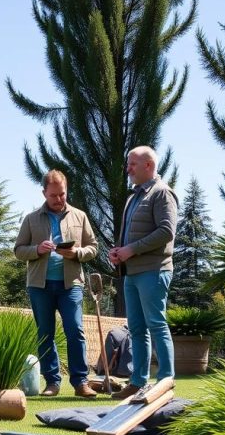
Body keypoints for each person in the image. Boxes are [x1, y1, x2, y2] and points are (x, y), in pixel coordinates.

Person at [14, 170, 99, 398]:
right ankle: (52, 382)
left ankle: (81, 382)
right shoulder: (31, 219)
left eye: (62, 194)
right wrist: (36, 250)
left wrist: (77, 253)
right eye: (53, 195)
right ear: (44, 193)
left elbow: (93, 247)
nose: (59, 199)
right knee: (45, 334)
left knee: (75, 330)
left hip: (71, 284)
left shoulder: (80, 216)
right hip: (40, 286)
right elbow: (18, 250)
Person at [108, 146, 178, 398]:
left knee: (156, 324)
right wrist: (119, 251)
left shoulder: (162, 194)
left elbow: (166, 232)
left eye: (132, 164)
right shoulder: (133, 197)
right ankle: (137, 382)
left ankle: (166, 381)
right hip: (132, 273)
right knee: (136, 329)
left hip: (154, 271)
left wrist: (131, 250)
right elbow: (131, 233)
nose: (128, 169)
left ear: (148, 165)